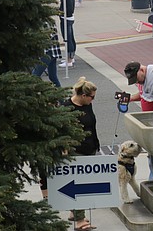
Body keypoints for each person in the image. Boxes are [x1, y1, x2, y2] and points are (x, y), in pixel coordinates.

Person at [66, 77, 99, 231]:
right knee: (79, 186)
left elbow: (91, 125)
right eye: (91, 97)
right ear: (83, 96)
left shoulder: (87, 105)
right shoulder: (67, 107)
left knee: (85, 184)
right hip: (76, 151)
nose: (93, 100)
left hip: (90, 148)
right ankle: (80, 220)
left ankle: (75, 212)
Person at [58, 0, 77, 68]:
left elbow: (68, 9)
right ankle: (70, 57)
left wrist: (61, 13)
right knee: (70, 38)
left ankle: (69, 59)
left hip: (66, 18)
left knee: (68, 39)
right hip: (68, 18)